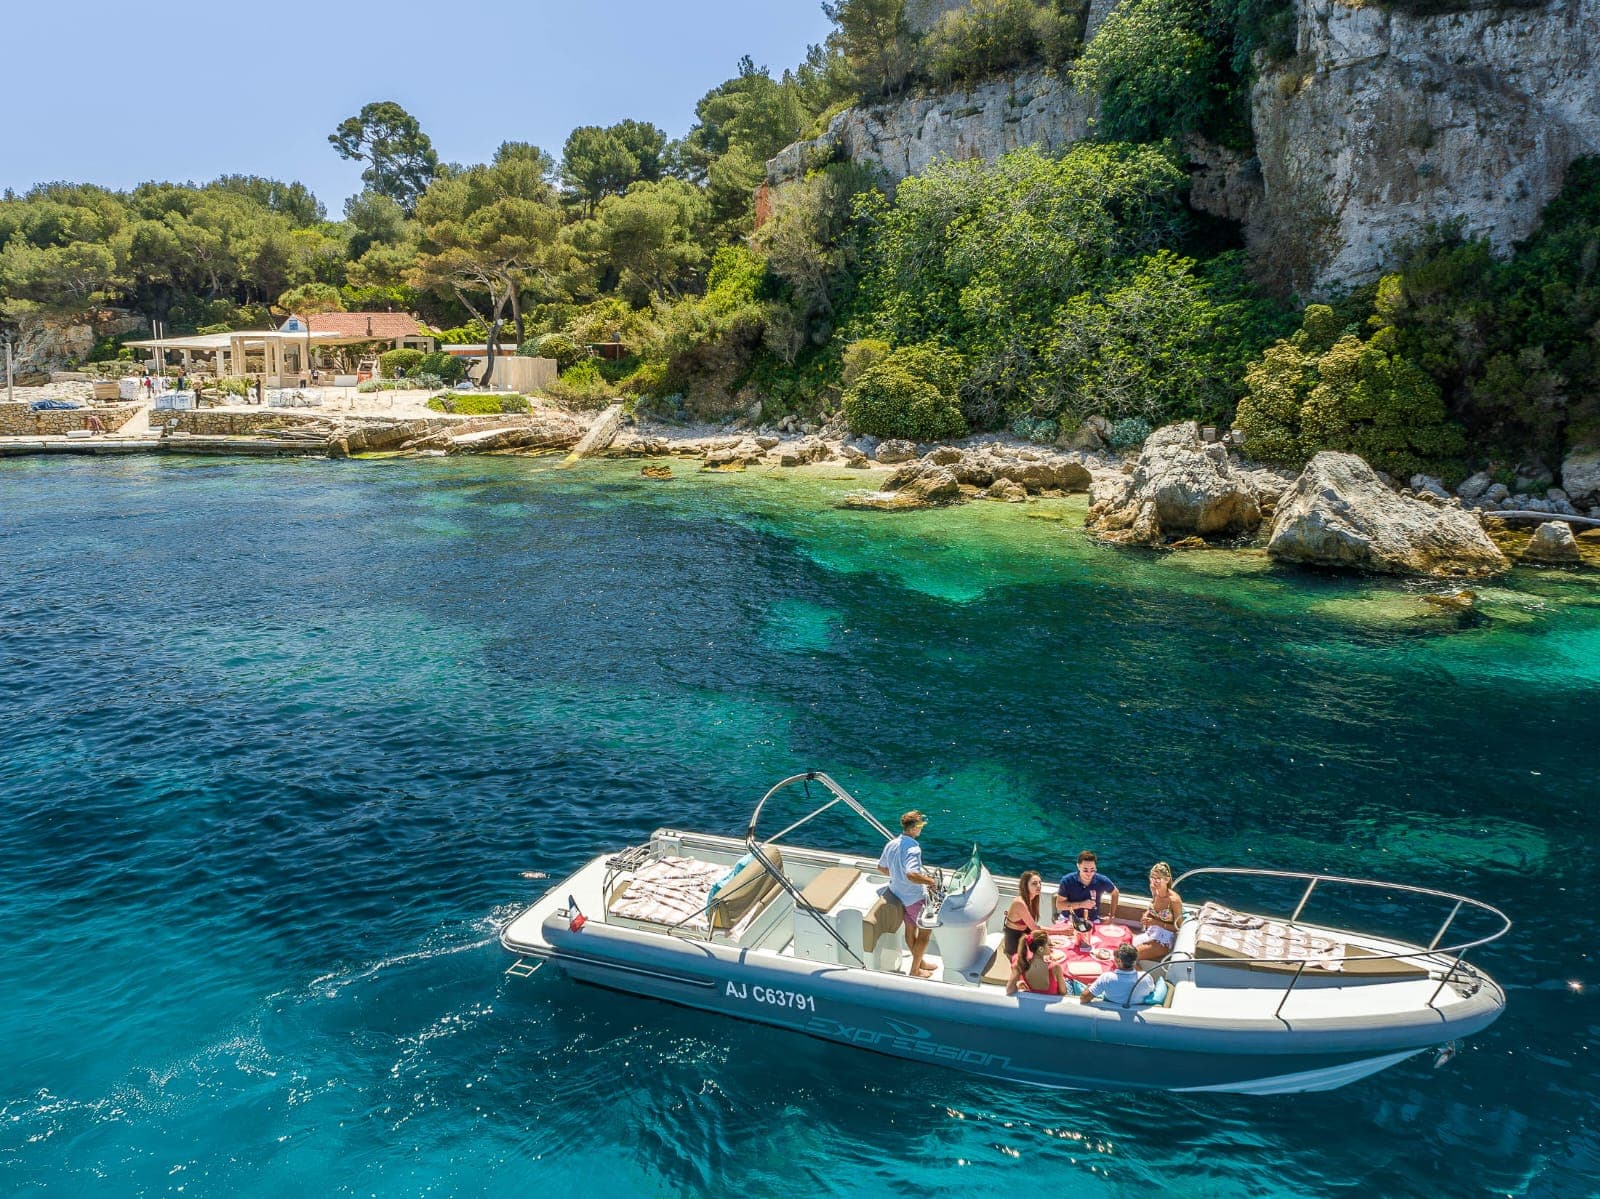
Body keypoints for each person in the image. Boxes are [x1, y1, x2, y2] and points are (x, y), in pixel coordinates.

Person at [878, 810, 938, 979]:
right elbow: (911, 874)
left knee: (910, 929)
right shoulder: (913, 848)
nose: (921, 830)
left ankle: (920, 963)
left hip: (898, 895)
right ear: (913, 828)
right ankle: (915, 970)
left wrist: (897, 876)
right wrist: (930, 882)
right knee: (925, 933)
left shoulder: (892, 844)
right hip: (914, 897)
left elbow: (881, 868)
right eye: (920, 826)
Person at [1133, 861, 1183, 962]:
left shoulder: (1174, 900)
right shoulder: (1154, 889)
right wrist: (1146, 915)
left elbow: (1178, 927)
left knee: (1131, 956)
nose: (1154, 882)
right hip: (1151, 932)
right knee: (1124, 950)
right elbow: (1152, 907)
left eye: (1158, 879)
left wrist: (1155, 922)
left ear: (1167, 880)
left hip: (1165, 938)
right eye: (1152, 878)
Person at [1080, 942, 1155, 1007]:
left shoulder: (1106, 978)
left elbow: (1083, 999)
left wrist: (1088, 987)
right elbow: (1151, 991)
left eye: (1114, 958)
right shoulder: (1146, 977)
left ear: (1119, 961)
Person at [1056, 850, 1119, 927]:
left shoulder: (1102, 880)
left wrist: (1111, 915)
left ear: (1096, 867)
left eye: (1092, 870)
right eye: (1085, 870)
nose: (1089, 874)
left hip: (1092, 920)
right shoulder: (1067, 881)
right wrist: (1082, 904)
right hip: (1068, 918)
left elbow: (1115, 893)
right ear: (1078, 866)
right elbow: (1059, 905)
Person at [1003, 870, 1050, 958]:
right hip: (1015, 945)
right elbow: (1034, 928)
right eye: (1034, 883)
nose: (1039, 886)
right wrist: (1062, 931)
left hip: (1024, 939)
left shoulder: (1032, 900)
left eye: (1040, 883)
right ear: (1025, 886)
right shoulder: (1020, 903)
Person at [1007, 930, 1067, 996]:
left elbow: (1009, 990)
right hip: (1051, 1003)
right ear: (1040, 949)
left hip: (1033, 1001)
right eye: (1049, 945)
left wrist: (1018, 984)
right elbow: (1063, 992)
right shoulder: (1055, 967)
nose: (1051, 948)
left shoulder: (1022, 964)